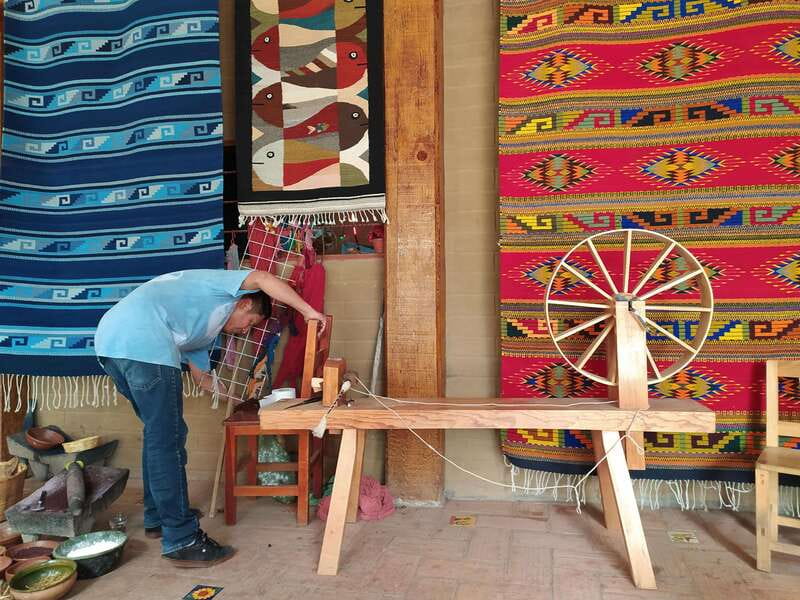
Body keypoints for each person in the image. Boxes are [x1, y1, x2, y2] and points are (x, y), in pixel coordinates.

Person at [94, 268, 325, 567]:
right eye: (250, 323)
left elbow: (202, 378)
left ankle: (157, 518)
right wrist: (309, 312)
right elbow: (263, 279)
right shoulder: (221, 288)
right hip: (142, 341)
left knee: (159, 434)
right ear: (243, 303)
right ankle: (181, 539)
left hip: (113, 345)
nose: (245, 331)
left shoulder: (203, 332)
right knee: (169, 440)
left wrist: (235, 397)